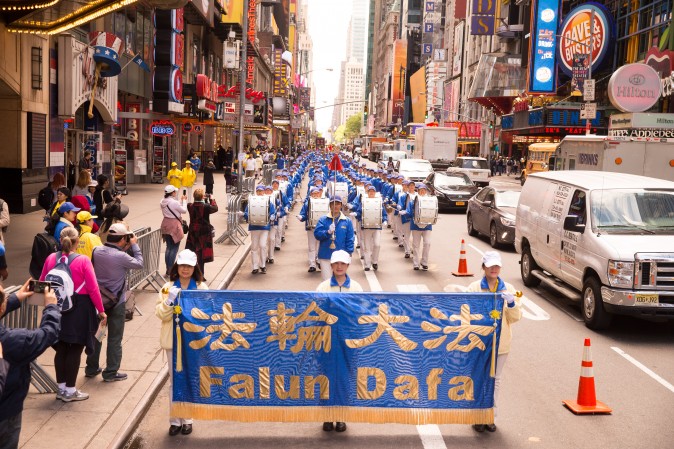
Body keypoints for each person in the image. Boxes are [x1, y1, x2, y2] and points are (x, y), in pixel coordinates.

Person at [40, 227, 106, 403]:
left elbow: (42, 283)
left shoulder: (50, 259)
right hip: (79, 307)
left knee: (60, 348)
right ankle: (70, 390)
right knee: (75, 349)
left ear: (61, 241)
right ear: (77, 242)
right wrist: (101, 311)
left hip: (56, 308)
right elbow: (93, 288)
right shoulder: (83, 261)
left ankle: (61, 389)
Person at [466, 251, 522, 433]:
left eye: (497, 266)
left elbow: (515, 318)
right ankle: (478, 417)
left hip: (501, 345)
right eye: (490, 266)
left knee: (495, 380)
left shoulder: (510, 289)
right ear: (483, 267)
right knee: (480, 379)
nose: (494, 269)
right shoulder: (474, 288)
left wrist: (512, 303)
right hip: (479, 343)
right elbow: (465, 312)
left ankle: (490, 417)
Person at [0, 281, 61, 448]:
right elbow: (48, 333)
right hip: (5, 413)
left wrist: (15, 299)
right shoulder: (12, 341)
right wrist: (51, 307)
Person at [156, 249, 207, 436]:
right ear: (177, 267)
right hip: (173, 342)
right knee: (174, 381)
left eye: (189, 266)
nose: (185, 269)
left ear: (195, 268)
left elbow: (206, 314)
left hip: (193, 342)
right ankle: (175, 420)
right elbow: (160, 314)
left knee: (190, 378)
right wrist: (169, 301)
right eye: (182, 265)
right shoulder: (166, 287)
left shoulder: (202, 288)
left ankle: (187, 419)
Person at [85, 223, 143, 382]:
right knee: (114, 339)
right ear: (123, 239)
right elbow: (139, 263)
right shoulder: (122, 257)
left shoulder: (97, 251)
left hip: (98, 301)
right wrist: (135, 245)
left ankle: (91, 368)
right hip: (116, 303)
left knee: (96, 335)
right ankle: (110, 372)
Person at [315, 250, 362, 433]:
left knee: (344, 377)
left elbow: (359, 315)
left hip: (348, 342)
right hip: (326, 340)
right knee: (326, 377)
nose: (339, 267)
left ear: (348, 265)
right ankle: (327, 417)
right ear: (331, 266)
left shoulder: (356, 288)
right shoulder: (323, 287)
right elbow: (316, 313)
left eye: (343, 264)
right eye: (336, 264)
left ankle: (341, 417)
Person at [314, 196, 355, 281]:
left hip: (341, 257)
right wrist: (327, 232)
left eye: (337, 204)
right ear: (330, 206)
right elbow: (317, 235)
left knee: (340, 282)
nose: (335, 206)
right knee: (327, 281)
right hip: (326, 255)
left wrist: (349, 253)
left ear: (341, 205)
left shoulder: (347, 221)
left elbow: (350, 239)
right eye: (333, 204)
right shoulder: (323, 219)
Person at [242, 185, 276, 274]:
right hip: (254, 227)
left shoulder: (268, 201)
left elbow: (273, 211)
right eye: (258, 191)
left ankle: (263, 265)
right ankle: (255, 267)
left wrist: (273, 216)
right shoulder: (251, 201)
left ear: (264, 192)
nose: (260, 193)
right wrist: (243, 215)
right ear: (256, 192)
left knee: (262, 245)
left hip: (264, 227)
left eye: (261, 191)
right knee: (254, 247)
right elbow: (247, 212)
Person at [186, 188, 218, 276]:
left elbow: (190, 205)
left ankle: (194, 274)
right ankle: (200, 275)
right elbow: (215, 208)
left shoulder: (190, 206)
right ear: (202, 196)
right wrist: (212, 199)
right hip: (203, 233)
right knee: (201, 255)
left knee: (193, 253)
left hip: (193, 232)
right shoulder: (206, 207)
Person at [355, 185, 388, 271]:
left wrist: (384, 220)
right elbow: (359, 212)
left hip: (377, 226)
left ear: (375, 193)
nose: (371, 193)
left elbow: (383, 213)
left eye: (373, 191)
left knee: (377, 245)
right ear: (367, 192)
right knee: (367, 246)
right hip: (366, 227)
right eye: (370, 192)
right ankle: (367, 264)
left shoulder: (379, 201)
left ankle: (374, 261)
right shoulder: (363, 201)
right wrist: (356, 214)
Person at [404, 183, 433, 271]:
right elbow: (409, 212)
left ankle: (424, 262)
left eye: (424, 190)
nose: (422, 192)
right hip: (416, 225)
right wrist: (407, 213)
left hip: (427, 225)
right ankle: (416, 263)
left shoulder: (430, 201)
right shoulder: (413, 201)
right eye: (421, 190)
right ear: (418, 191)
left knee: (427, 243)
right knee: (416, 245)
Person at [160, 185, 188, 275]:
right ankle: (171, 269)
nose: (176, 193)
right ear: (172, 193)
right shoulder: (174, 202)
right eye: (175, 191)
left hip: (165, 224)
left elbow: (173, 206)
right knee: (174, 248)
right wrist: (184, 201)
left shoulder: (162, 201)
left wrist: (180, 200)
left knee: (168, 247)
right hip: (174, 225)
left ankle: (168, 269)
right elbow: (184, 210)